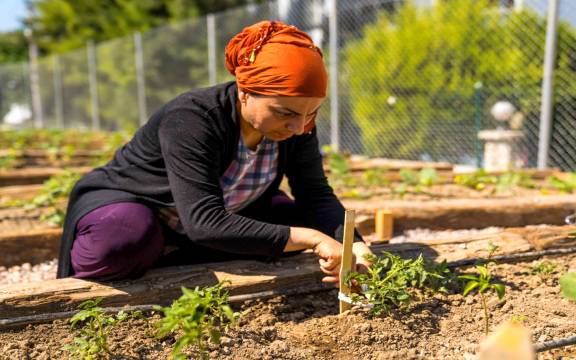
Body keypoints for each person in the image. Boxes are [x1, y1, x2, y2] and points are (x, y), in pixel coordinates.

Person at [56, 20, 373, 283]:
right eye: (285, 112)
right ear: (245, 91)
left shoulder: (300, 124)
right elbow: (204, 220)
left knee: (309, 222)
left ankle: (178, 254)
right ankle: (156, 249)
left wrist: (354, 245)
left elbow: (314, 194)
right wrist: (313, 239)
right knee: (122, 243)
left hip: (222, 212)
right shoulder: (193, 118)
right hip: (144, 207)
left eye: (311, 113)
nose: (299, 126)